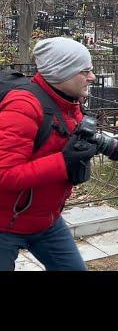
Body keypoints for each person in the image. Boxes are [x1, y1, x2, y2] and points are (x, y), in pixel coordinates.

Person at [0, 37, 98, 271]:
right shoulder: (23, 106)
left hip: (46, 220)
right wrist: (64, 161)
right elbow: (5, 174)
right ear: (63, 73)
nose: (92, 77)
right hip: (4, 224)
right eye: (85, 71)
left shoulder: (69, 104)